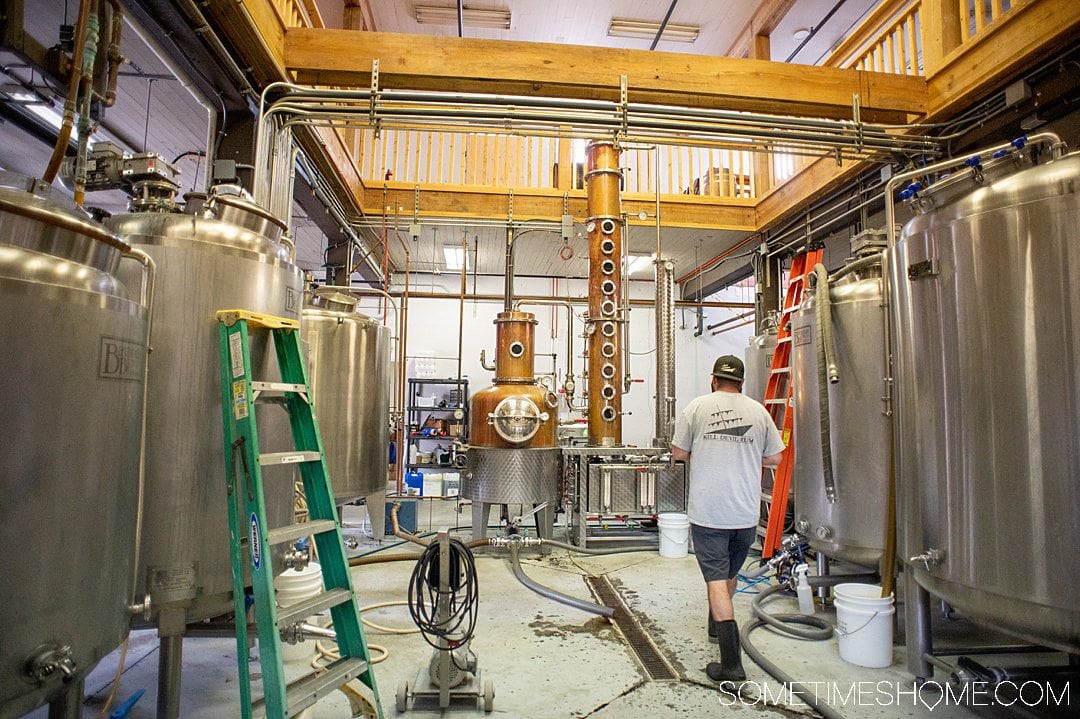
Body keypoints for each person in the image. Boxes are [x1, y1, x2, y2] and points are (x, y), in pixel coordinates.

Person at [671, 354, 785, 683]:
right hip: (745, 513)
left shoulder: (697, 407)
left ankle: (731, 665)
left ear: (713, 379)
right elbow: (776, 457)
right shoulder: (759, 411)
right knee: (730, 572)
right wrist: (746, 451)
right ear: (742, 382)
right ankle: (715, 625)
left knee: (716, 580)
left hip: (710, 511)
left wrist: (705, 448)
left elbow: (679, 453)